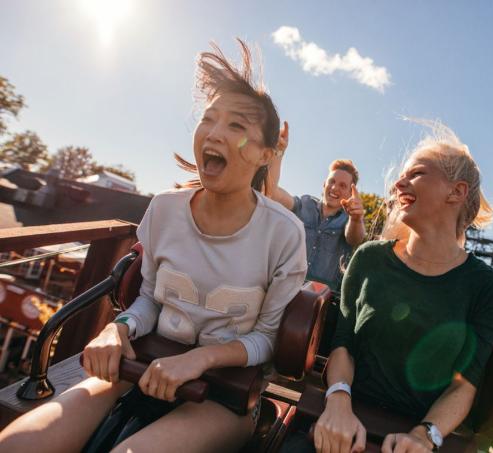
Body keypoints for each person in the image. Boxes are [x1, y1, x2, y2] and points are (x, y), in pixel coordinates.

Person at [0, 39, 307, 453]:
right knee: (17, 444)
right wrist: (118, 328)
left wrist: (200, 359)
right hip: (141, 365)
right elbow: (150, 299)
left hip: (224, 396)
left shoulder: (285, 234)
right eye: (209, 118)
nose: (215, 132)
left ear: (266, 154)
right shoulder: (164, 208)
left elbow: (265, 340)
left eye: (237, 126)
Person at [310, 122, 493, 453]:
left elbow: (464, 384)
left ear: (456, 192)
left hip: (416, 437)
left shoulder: (485, 285)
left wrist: (424, 436)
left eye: (416, 174)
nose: (399, 183)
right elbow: (344, 344)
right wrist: (338, 402)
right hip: (346, 422)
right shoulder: (369, 258)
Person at [266, 124, 366, 291]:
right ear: (324, 184)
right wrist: (278, 152)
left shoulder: (349, 221)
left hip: (320, 301)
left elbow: (355, 238)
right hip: (282, 287)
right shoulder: (304, 204)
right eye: (332, 182)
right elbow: (272, 192)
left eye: (342, 186)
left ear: (350, 193)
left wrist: (356, 218)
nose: (335, 188)